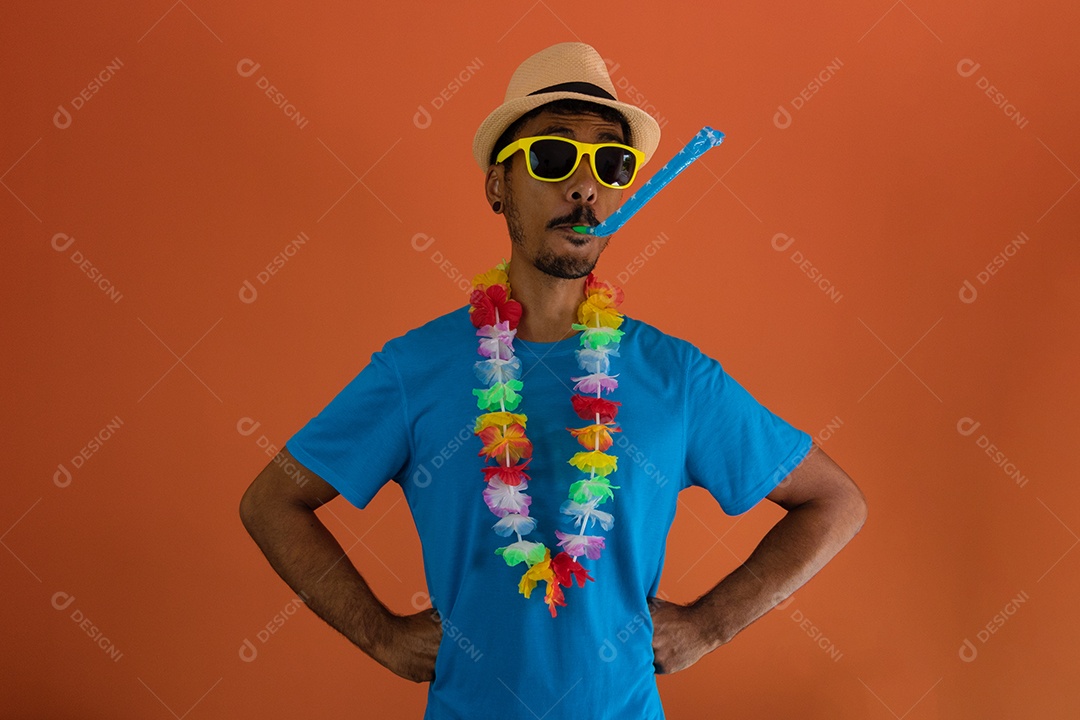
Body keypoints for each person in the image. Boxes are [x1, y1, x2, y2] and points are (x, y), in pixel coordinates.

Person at [240, 41, 868, 720]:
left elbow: (835, 502)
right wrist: (383, 637)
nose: (584, 185)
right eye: (552, 156)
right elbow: (271, 501)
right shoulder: (414, 368)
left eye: (610, 162)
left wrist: (712, 623)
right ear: (496, 185)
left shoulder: (676, 375)